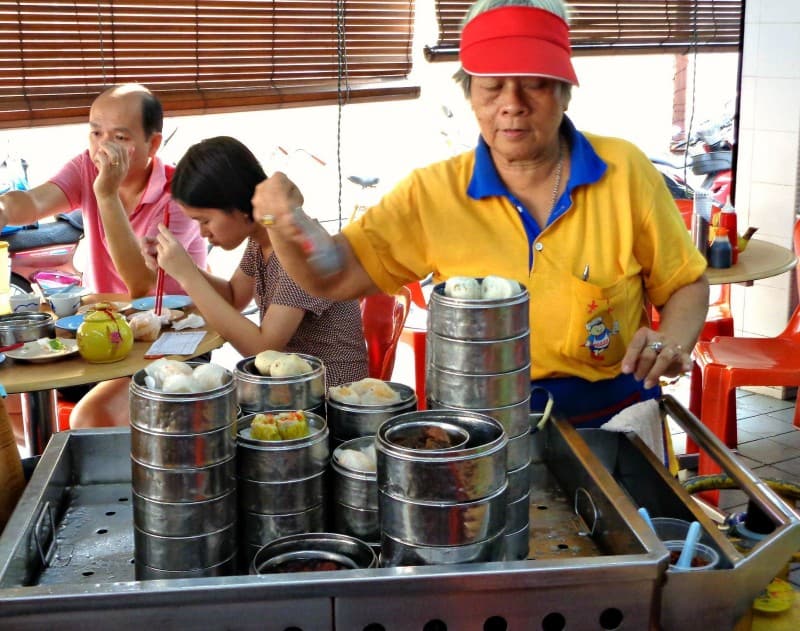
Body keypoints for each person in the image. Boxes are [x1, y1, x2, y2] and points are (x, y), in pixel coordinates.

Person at [251, 0, 710, 427]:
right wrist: (284, 223)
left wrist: (670, 341)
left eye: (533, 82)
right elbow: (330, 275)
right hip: (478, 426)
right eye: (492, 85)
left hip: (614, 417)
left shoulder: (623, 171)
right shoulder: (432, 193)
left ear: (565, 93)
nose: (512, 103)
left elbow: (684, 283)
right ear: (471, 95)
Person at [0, 83, 208, 430]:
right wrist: (4, 210)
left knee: (91, 416)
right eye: (95, 133)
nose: (103, 148)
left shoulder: (178, 196)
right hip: (99, 334)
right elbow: (35, 201)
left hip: (171, 340)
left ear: (152, 144)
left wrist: (106, 195)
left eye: (120, 138)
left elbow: (140, 285)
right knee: (11, 403)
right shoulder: (85, 166)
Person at [143, 135, 368, 388]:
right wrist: (181, 266)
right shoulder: (261, 238)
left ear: (239, 205)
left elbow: (261, 346)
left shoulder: (296, 245)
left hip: (332, 391)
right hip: (289, 384)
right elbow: (233, 297)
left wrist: (187, 276)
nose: (203, 232)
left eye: (205, 220)